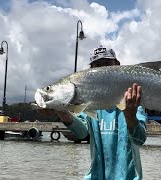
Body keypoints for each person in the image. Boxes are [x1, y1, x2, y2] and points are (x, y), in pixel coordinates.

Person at [41, 45, 147, 179]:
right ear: (91, 71)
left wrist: (130, 115)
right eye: (97, 65)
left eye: (107, 64)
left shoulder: (132, 100)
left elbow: (140, 139)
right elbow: (83, 133)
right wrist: (62, 111)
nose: (103, 69)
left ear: (118, 66)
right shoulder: (90, 102)